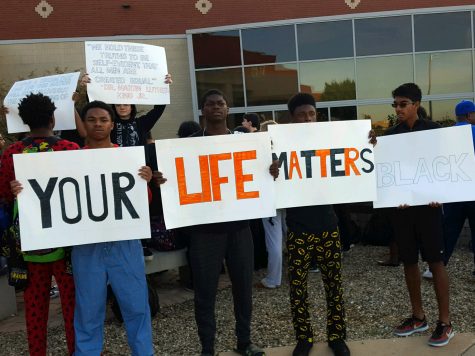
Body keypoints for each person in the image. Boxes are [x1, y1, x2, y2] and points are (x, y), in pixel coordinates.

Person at [154, 89, 278, 356]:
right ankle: (207, 348)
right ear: (203, 110)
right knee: (205, 293)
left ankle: (244, 341)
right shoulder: (189, 144)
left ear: (228, 109)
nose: (216, 107)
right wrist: (162, 178)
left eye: (221, 103)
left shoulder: (244, 141)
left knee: (243, 289)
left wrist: (271, 169)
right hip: (204, 233)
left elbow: (266, 167)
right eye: (210, 104)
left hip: (239, 229)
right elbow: (173, 177)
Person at [72, 101, 154, 356]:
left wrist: (146, 182)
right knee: (88, 310)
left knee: (137, 306)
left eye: (103, 119)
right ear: (83, 124)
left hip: (124, 241)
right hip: (87, 245)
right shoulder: (70, 161)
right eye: (92, 119)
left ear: (112, 124)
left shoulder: (128, 158)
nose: (98, 124)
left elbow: (144, 202)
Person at [0, 93, 78, 356]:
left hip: (29, 244)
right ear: (53, 118)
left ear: (23, 121)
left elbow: (4, 194)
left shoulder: (12, 152)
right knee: (72, 308)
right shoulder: (69, 149)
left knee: (34, 311)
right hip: (66, 243)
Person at [385, 83, 453, 347]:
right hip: (402, 209)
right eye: (395, 105)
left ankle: (445, 322)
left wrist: (441, 193)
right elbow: (388, 168)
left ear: (415, 104)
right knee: (409, 261)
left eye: (403, 104)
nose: (398, 109)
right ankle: (418, 316)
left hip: (430, 208)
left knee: (435, 262)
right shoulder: (391, 134)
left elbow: (447, 165)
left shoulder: (434, 131)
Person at [284, 93, 352, 356]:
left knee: (334, 284)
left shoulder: (330, 141)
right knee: (298, 288)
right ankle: (304, 338)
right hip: (298, 227)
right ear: (293, 117)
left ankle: (337, 337)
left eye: (311, 113)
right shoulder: (280, 147)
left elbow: (353, 154)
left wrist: (367, 142)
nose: (308, 118)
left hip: (327, 224)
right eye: (302, 114)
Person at [442, 100, 475, 273]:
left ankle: (437, 266)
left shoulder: (445, 134)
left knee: (449, 229)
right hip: (473, 191)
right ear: (470, 115)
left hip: (452, 192)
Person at [257, 119, 286, 289]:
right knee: (288, 234)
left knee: (274, 240)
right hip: (288, 198)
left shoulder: (262, 152)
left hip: (270, 200)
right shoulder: (285, 149)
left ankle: (273, 279)